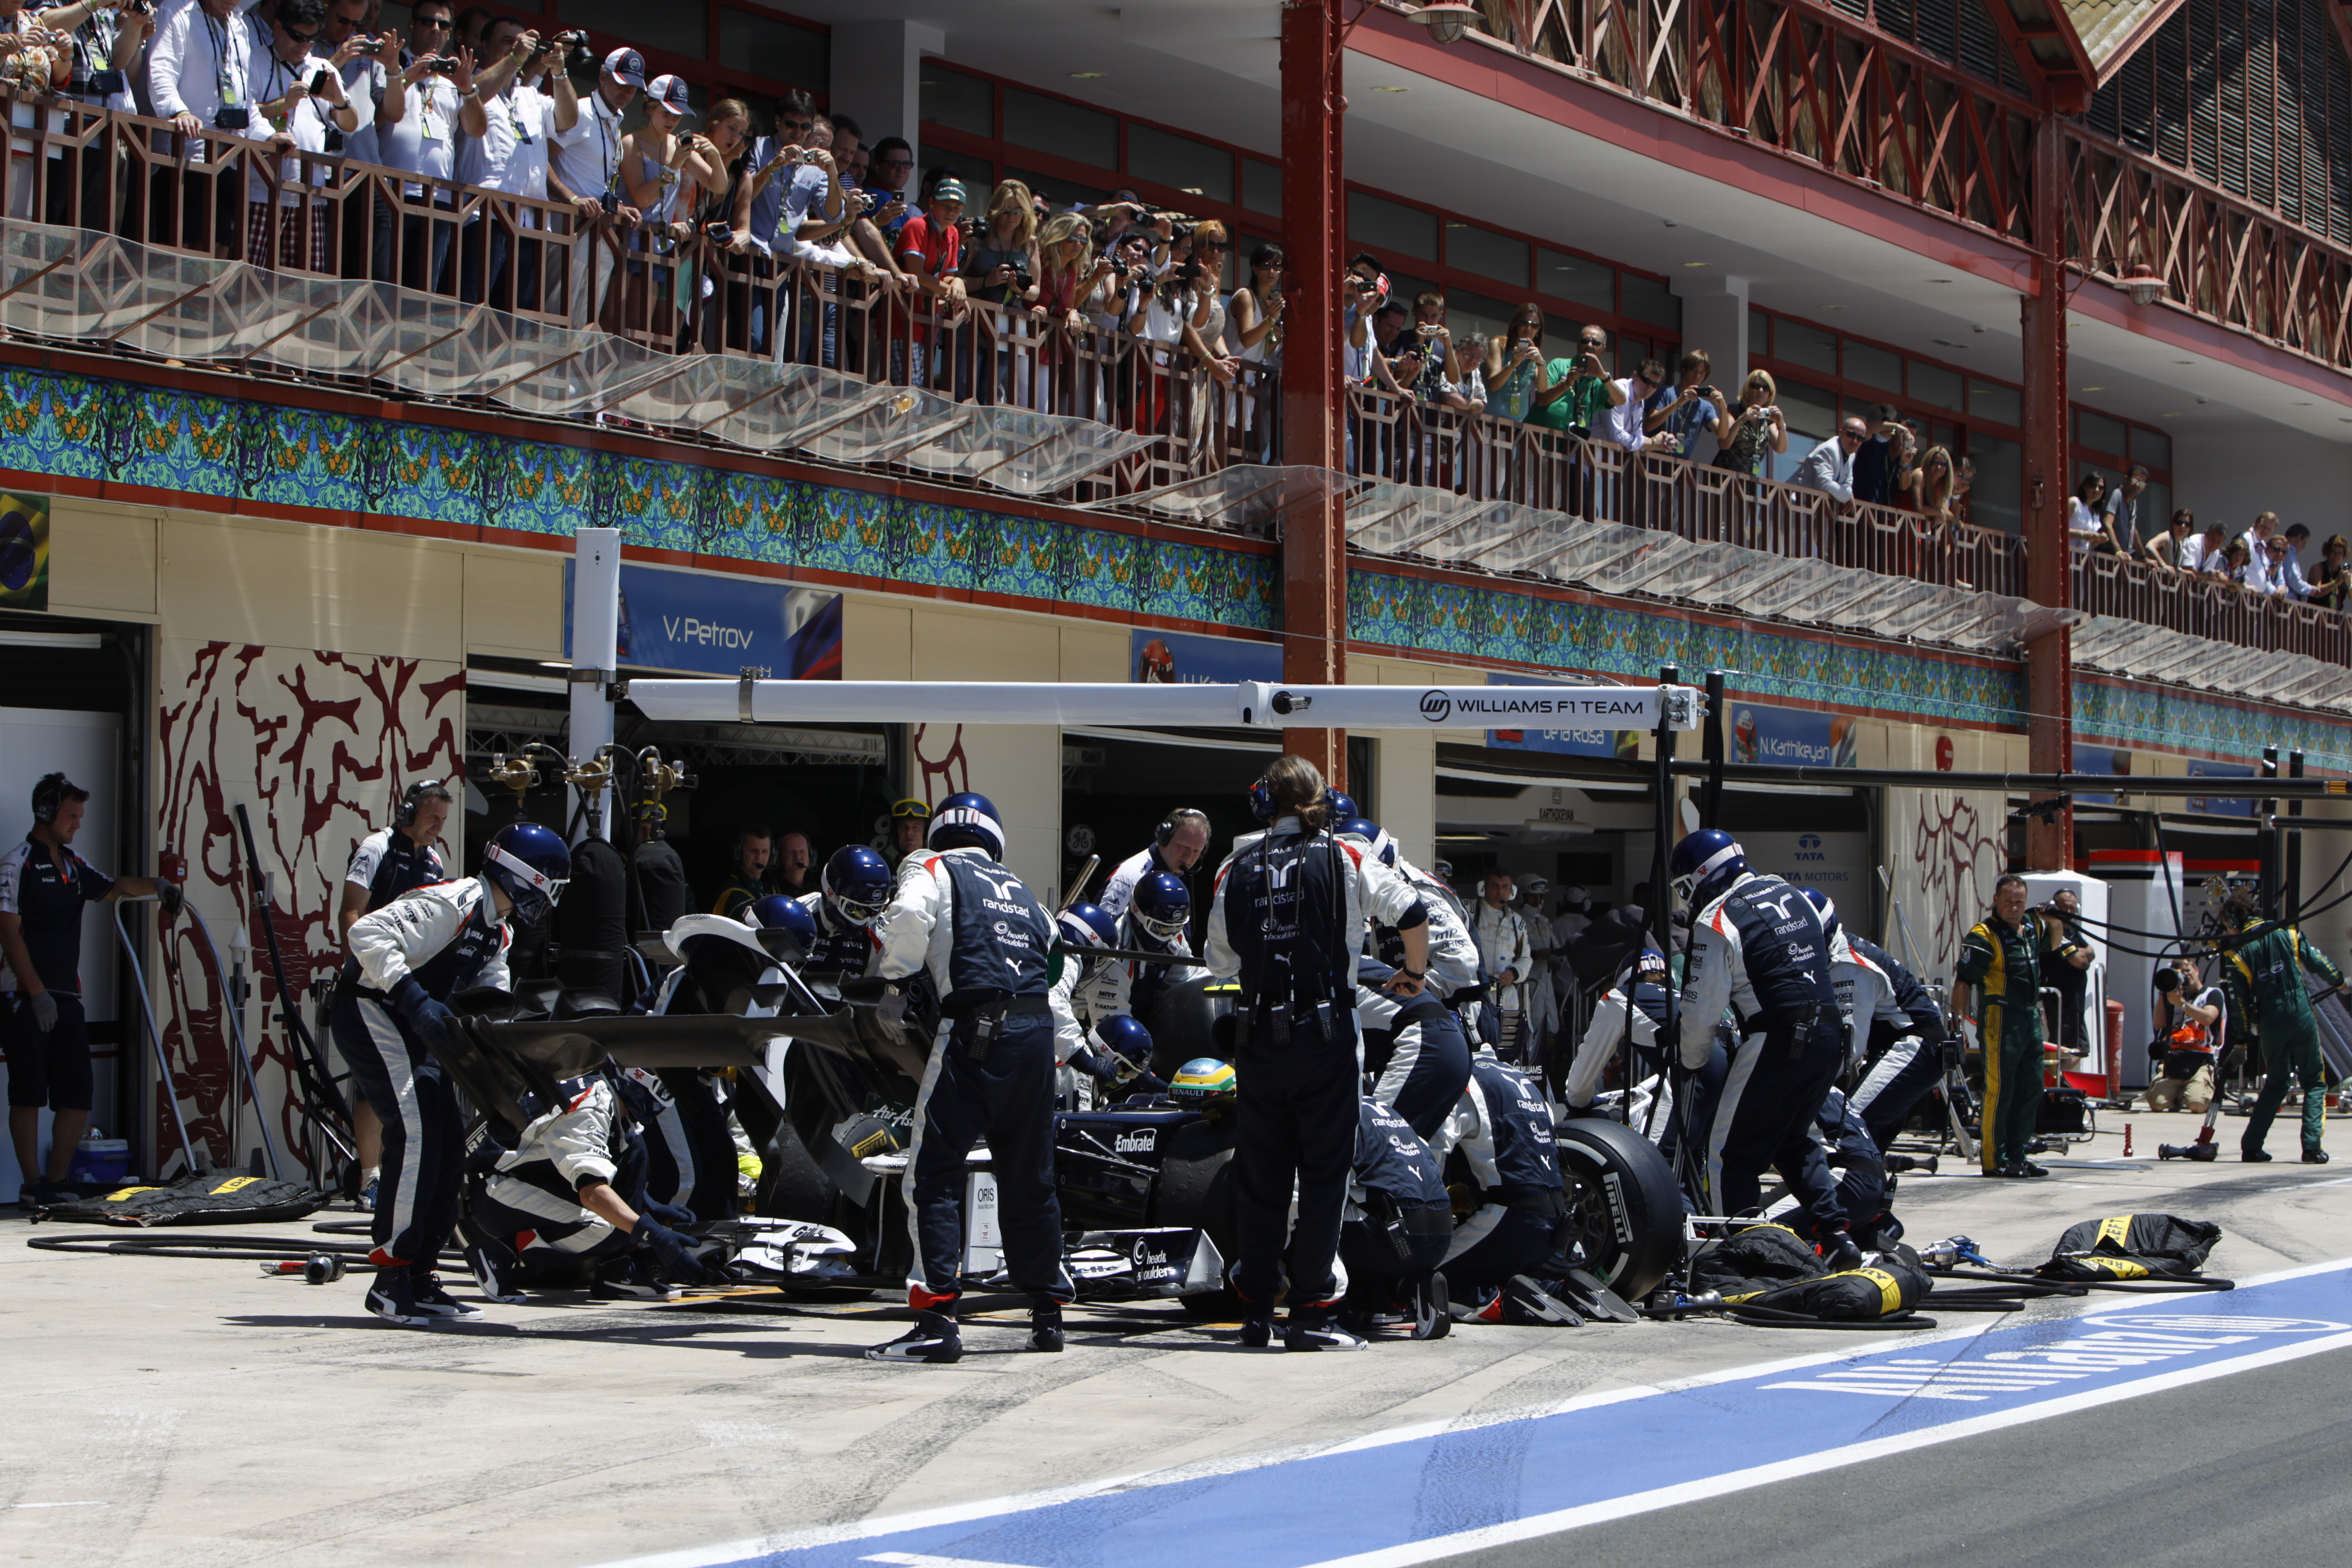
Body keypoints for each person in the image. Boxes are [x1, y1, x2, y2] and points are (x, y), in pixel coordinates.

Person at [1203, 755, 1431, 1351]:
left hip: (1259, 1039)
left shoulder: (1235, 865)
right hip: (1327, 1038)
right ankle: (1310, 1315)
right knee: (1325, 1176)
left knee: (1262, 1177)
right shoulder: (1347, 854)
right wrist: (1413, 973)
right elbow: (1413, 913)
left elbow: (1218, 961)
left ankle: (1256, 1313)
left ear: (1264, 803)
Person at [863, 792, 1078, 1362]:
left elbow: (907, 918)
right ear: (995, 839)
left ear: (941, 832)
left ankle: (936, 1320)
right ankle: (1048, 1316)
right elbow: (1056, 963)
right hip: (1036, 1038)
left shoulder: (931, 865)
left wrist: (895, 981)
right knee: (1030, 1179)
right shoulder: (1024, 891)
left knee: (932, 1175)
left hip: (973, 1034)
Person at [331, 820, 569, 1324]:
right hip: (369, 1009)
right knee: (418, 1132)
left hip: (412, 1028)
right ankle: (391, 1277)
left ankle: (421, 1274)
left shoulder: (498, 931)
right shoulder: (455, 902)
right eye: (551, 885)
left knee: (447, 1142)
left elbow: (491, 1004)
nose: (551, 898)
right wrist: (413, 999)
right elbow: (364, 932)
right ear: (527, 876)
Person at [1672, 829, 1855, 1262]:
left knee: (1728, 1154)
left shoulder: (1716, 918)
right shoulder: (1790, 892)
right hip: (1830, 1035)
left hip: (1777, 1038)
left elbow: (1701, 1012)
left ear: (1700, 876)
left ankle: (1744, 1258)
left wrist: (1690, 1060)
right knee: (1793, 1140)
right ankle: (1837, 1236)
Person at [2, 774, 181, 1205]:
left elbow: (114, 888)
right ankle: (32, 1185)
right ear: (46, 812)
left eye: (81, 816)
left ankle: (58, 1182)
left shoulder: (73, 865)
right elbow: (8, 932)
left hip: (68, 997)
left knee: (78, 1094)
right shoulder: (17, 863)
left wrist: (158, 887)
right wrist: (36, 992)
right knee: (28, 1093)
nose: (78, 824)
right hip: (24, 996)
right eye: (71, 815)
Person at [459, 1057, 712, 1302]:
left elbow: (609, 1168)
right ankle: (500, 1254)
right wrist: (652, 1233)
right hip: (490, 1190)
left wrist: (649, 1207)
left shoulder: (606, 1094)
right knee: (610, 1227)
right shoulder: (589, 1107)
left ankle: (618, 1271)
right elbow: (591, 1193)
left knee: (634, 1149)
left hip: (523, 1177)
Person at [334, 778, 453, 1212]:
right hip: (371, 983)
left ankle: (400, 1173)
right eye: (431, 818)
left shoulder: (435, 860)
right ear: (408, 812)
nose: (438, 827)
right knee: (371, 1086)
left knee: (407, 1083)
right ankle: (370, 1178)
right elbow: (350, 913)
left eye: (443, 820)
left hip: (409, 986)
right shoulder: (375, 848)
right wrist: (370, 971)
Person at [1951, 874, 2086, 1179]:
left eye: (2019, 902)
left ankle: (2018, 1155)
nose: (2014, 907)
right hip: (2001, 1018)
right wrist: (1957, 1025)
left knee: (2032, 1087)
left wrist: (2054, 919)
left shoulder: (2031, 926)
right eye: (2008, 901)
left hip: (2029, 1017)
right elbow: (1964, 981)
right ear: (1996, 901)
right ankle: (1993, 1160)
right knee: (2000, 1089)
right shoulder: (1983, 934)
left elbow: (2053, 945)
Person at [455, 18, 581, 309]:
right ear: (484, 46)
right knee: (472, 310)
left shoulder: (530, 96)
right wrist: (516, 58)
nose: (517, 48)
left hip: (531, 223)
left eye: (521, 43)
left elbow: (567, 119)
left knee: (517, 320)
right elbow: (472, 93)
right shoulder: (468, 84)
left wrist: (559, 73)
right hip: (486, 217)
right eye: (507, 42)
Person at [2216, 889, 2345, 1163]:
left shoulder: (2235, 953)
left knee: (2277, 1082)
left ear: (2234, 920)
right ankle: (2312, 1148)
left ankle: (2251, 1146)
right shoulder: (2288, 931)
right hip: (2300, 1015)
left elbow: (2239, 1005)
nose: (2228, 930)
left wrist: (2241, 1042)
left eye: (2227, 925)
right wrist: (2340, 981)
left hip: (2270, 1023)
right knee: (2314, 1081)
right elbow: (2317, 962)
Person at [369, 0, 470, 291]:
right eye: (428, 22)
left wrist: (468, 89)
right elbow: (377, 118)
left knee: (422, 295)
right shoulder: (390, 62)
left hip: (438, 196)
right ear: (412, 24)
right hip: (390, 190)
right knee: (383, 287)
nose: (436, 29)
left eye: (444, 25)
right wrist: (408, 77)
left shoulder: (453, 75)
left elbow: (476, 129)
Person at [545, 45, 643, 325]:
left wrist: (618, 207)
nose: (627, 92)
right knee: (557, 315)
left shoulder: (615, 120)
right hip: (571, 228)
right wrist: (572, 198)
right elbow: (541, 158)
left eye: (633, 88)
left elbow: (597, 179)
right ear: (602, 77)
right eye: (621, 83)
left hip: (600, 230)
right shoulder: (581, 112)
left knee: (584, 322)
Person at [1841, 931, 1953, 1153]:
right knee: (1869, 1138)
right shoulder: (1849, 948)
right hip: (1913, 1046)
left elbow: (1852, 1045)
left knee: (1849, 1124)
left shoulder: (1846, 960)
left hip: (1914, 1045)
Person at [2143, 956, 2224, 1114]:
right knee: (2157, 1104)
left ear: (2197, 970)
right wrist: (2165, 991)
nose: (2186, 976)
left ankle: (2196, 1091)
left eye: (2188, 971)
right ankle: (2180, 1095)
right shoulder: (2172, 997)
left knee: (2197, 1105)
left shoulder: (2212, 994)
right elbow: (2159, 1023)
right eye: (2180, 973)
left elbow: (2208, 1018)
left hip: (2201, 1061)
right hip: (2174, 1061)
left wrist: (2181, 1003)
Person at [1099, 807, 1210, 920]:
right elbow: (1104, 925)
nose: (1189, 857)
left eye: (1197, 851)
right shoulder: (1130, 876)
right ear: (1164, 838)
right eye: (1184, 846)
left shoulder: (1179, 875)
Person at [1473, 870, 1533, 1064]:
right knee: (1478, 1052)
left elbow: (1526, 958)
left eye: (1505, 887)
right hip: (1478, 995)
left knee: (1508, 1053)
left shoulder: (1518, 922)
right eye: (1495, 886)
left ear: (1512, 891)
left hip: (1508, 998)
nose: (1500, 892)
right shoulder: (1470, 912)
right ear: (1484, 887)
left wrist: (1514, 973)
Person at [1527, 323, 1617, 438]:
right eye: (1585, 341)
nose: (1590, 345)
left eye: (1596, 343)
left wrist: (1604, 376)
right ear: (1578, 344)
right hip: (1535, 439)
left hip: (1567, 446)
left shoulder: (1600, 382)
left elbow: (1620, 400)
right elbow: (1541, 399)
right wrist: (1566, 384)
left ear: (1604, 349)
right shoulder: (1559, 364)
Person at [624, 801, 688, 942]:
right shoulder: (624, 863)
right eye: (642, 829)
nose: (648, 835)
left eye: (653, 829)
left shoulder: (663, 862)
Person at [1714, 370, 1787, 478]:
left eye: (1766, 388)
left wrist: (1781, 424)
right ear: (1748, 389)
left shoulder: (1767, 419)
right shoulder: (1736, 410)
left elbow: (1781, 449)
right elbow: (1724, 444)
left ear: (1770, 394)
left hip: (1748, 481)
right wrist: (1741, 419)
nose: (1761, 391)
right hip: (1723, 478)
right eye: (1756, 386)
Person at [1793, 416, 1866, 504]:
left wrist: (1847, 492)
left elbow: (1848, 485)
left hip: (1810, 507)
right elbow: (1824, 485)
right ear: (1841, 433)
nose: (1855, 441)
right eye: (1851, 435)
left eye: (1860, 438)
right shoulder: (1829, 449)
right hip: (1791, 503)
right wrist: (1848, 495)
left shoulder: (1851, 454)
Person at [710, 824, 772, 917]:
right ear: (739, 853)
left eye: (765, 852)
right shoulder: (733, 895)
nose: (760, 857)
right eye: (754, 851)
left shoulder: (767, 889)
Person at [882, 796, 930, 868]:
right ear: (896, 834)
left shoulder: (937, 871)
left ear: (926, 834)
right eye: (904, 827)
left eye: (916, 827)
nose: (909, 832)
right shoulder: (885, 872)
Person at [2308, 533, 2351, 611]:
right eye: (2333, 552)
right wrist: (2336, 582)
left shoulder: (2345, 572)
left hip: (2336, 616)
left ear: (2344, 555)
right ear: (2328, 552)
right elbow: (2316, 592)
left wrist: (2350, 585)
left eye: (2339, 553)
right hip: (2316, 614)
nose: (2336, 556)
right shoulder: (2318, 568)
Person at [768, 830, 815, 897]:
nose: (798, 856)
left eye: (802, 851)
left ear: (810, 855)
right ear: (780, 856)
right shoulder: (769, 891)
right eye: (792, 852)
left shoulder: (820, 892)